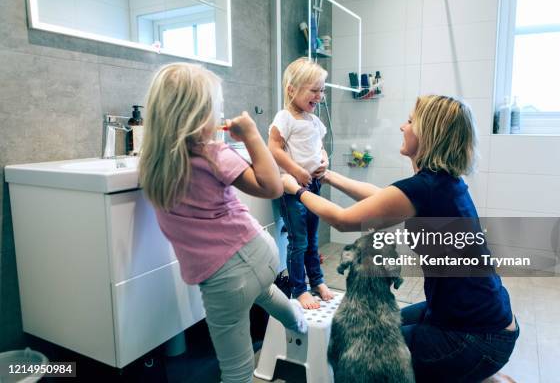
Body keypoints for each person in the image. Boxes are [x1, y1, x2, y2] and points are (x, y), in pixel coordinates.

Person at [282, 95, 519, 382]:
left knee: (367, 350)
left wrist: (296, 190)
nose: (402, 127)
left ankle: (478, 371)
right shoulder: (442, 182)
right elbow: (381, 198)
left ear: (428, 133)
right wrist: (328, 175)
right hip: (485, 320)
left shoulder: (428, 187)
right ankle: (478, 374)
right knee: (380, 321)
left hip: (476, 337)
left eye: (410, 121)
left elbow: (343, 221)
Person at [138, 63, 307, 383]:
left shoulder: (153, 162)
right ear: (200, 115)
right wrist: (251, 136)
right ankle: (296, 321)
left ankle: (293, 321)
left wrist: (255, 137)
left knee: (236, 369)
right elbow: (271, 185)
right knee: (262, 290)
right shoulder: (213, 153)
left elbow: (272, 188)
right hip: (260, 253)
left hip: (223, 280)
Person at [268, 57, 334, 309]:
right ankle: (299, 288)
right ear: (292, 90)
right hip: (292, 190)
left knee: (312, 238)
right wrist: (296, 170)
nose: (320, 96)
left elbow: (321, 149)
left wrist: (324, 162)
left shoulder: (314, 121)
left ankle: (316, 280)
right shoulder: (285, 117)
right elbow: (273, 148)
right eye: (314, 90)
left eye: (322, 90)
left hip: (313, 186)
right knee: (299, 241)